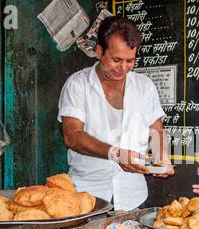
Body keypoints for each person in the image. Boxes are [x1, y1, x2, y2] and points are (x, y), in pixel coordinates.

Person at [58, 16, 174, 211]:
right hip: (87, 195)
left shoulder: (145, 87)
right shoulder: (78, 85)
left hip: (133, 195)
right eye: (116, 60)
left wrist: (161, 156)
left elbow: (156, 130)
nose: (123, 68)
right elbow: (72, 136)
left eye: (130, 61)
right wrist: (114, 153)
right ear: (99, 51)